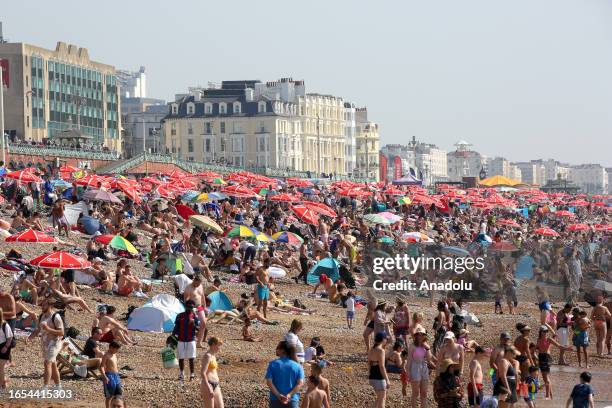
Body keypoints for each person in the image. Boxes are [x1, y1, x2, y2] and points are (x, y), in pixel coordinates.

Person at [27, 298, 64, 389]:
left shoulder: (56, 316)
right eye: (42, 305)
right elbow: (38, 330)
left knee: (47, 363)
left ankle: (45, 388)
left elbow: (62, 333)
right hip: (45, 343)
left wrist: (48, 329)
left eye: (44, 305)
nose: (42, 307)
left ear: (50, 306)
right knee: (53, 364)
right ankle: (58, 387)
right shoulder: (41, 316)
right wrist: (30, 337)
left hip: (55, 343)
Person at [265, 340, 305, 408]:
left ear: (283, 350)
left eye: (278, 347)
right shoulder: (298, 366)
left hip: (275, 400)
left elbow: (269, 382)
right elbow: (300, 383)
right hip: (292, 400)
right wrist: (289, 395)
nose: (276, 349)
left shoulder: (273, 364)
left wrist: (278, 395)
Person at [535, 324, 570, 400]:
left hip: (546, 358)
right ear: (540, 332)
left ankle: (547, 396)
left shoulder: (549, 339)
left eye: (547, 331)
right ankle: (550, 395)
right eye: (544, 331)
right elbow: (535, 349)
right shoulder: (538, 339)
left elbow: (559, 346)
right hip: (540, 357)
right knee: (545, 377)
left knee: (546, 377)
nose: (546, 332)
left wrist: (567, 348)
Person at [406, 328, 434, 408]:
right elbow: (409, 360)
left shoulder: (426, 345)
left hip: (424, 367)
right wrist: (408, 373)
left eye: (422, 334)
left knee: (424, 392)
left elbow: (429, 359)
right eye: (419, 334)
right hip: (415, 367)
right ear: (416, 335)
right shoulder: (412, 346)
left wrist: (427, 348)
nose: (420, 335)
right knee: (415, 392)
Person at [173, 299, 200, 382]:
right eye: (188, 307)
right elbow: (176, 327)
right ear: (185, 307)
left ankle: (192, 374)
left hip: (191, 340)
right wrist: (172, 335)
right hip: (181, 339)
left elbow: (198, 329)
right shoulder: (180, 316)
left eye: (191, 307)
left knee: (191, 358)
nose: (190, 309)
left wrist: (194, 325)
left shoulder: (195, 317)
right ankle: (182, 374)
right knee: (181, 358)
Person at [183, 274, 207, 348]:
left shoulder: (200, 286)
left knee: (203, 323)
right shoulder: (188, 288)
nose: (198, 285)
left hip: (199, 307)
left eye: (199, 283)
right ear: (194, 280)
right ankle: (187, 341)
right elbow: (186, 300)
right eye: (197, 283)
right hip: (191, 308)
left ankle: (198, 343)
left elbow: (202, 296)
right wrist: (190, 309)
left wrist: (205, 307)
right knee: (190, 324)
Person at [200, 336, 224, 408]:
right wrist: (209, 388)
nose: (219, 348)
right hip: (208, 385)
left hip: (216, 385)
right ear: (213, 344)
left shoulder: (213, 356)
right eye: (219, 345)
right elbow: (202, 373)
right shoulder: (207, 356)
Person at [368, 332, 390, 408]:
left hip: (372, 376)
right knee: (382, 399)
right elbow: (382, 366)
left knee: (379, 398)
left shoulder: (371, 349)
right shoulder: (380, 351)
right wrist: (387, 379)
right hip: (379, 377)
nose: (387, 340)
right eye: (386, 339)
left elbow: (369, 364)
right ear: (383, 339)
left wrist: (369, 377)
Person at [101, 341, 122, 408]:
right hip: (109, 376)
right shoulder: (106, 355)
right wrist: (104, 376)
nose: (117, 351)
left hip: (116, 376)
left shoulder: (114, 355)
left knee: (119, 394)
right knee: (109, 396)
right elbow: (101, 366)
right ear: (111, 347)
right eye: (116, 349)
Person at [0, 307, 14, 388]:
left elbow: (10, 337)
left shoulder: (5, 325)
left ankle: (1, 385)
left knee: (0, 367)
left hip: (4, 346)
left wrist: (6, 347)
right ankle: (4, 382)